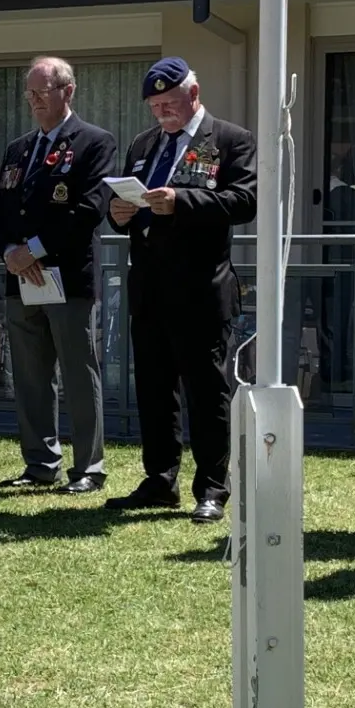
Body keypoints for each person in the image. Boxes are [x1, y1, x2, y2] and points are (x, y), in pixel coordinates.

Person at [103, 57, 257, 523]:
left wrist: (180, 201)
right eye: (155, 105)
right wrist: (118, 212)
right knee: (153, 388)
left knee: (206, 391)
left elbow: (244, 200)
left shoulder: (229, 139)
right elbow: (121, 204)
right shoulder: (144, 144)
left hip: (200, 289)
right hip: (149, 287)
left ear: (194, 93)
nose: (162, 112)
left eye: (170, 102)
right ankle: (159, 478)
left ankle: (212, 486)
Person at [0, 56, 117, 494]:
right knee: (29, 376)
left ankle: (89, 469)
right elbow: (0, 209)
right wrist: (11, 251)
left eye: (43, 92)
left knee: (79, 374)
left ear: (68, 91)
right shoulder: (18, 149)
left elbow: (89, 210)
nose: (35, 100)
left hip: (67, 278)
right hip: (21, 278)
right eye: (30, 93)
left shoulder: (95, 142)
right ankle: (41, 463)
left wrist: (34, 249)